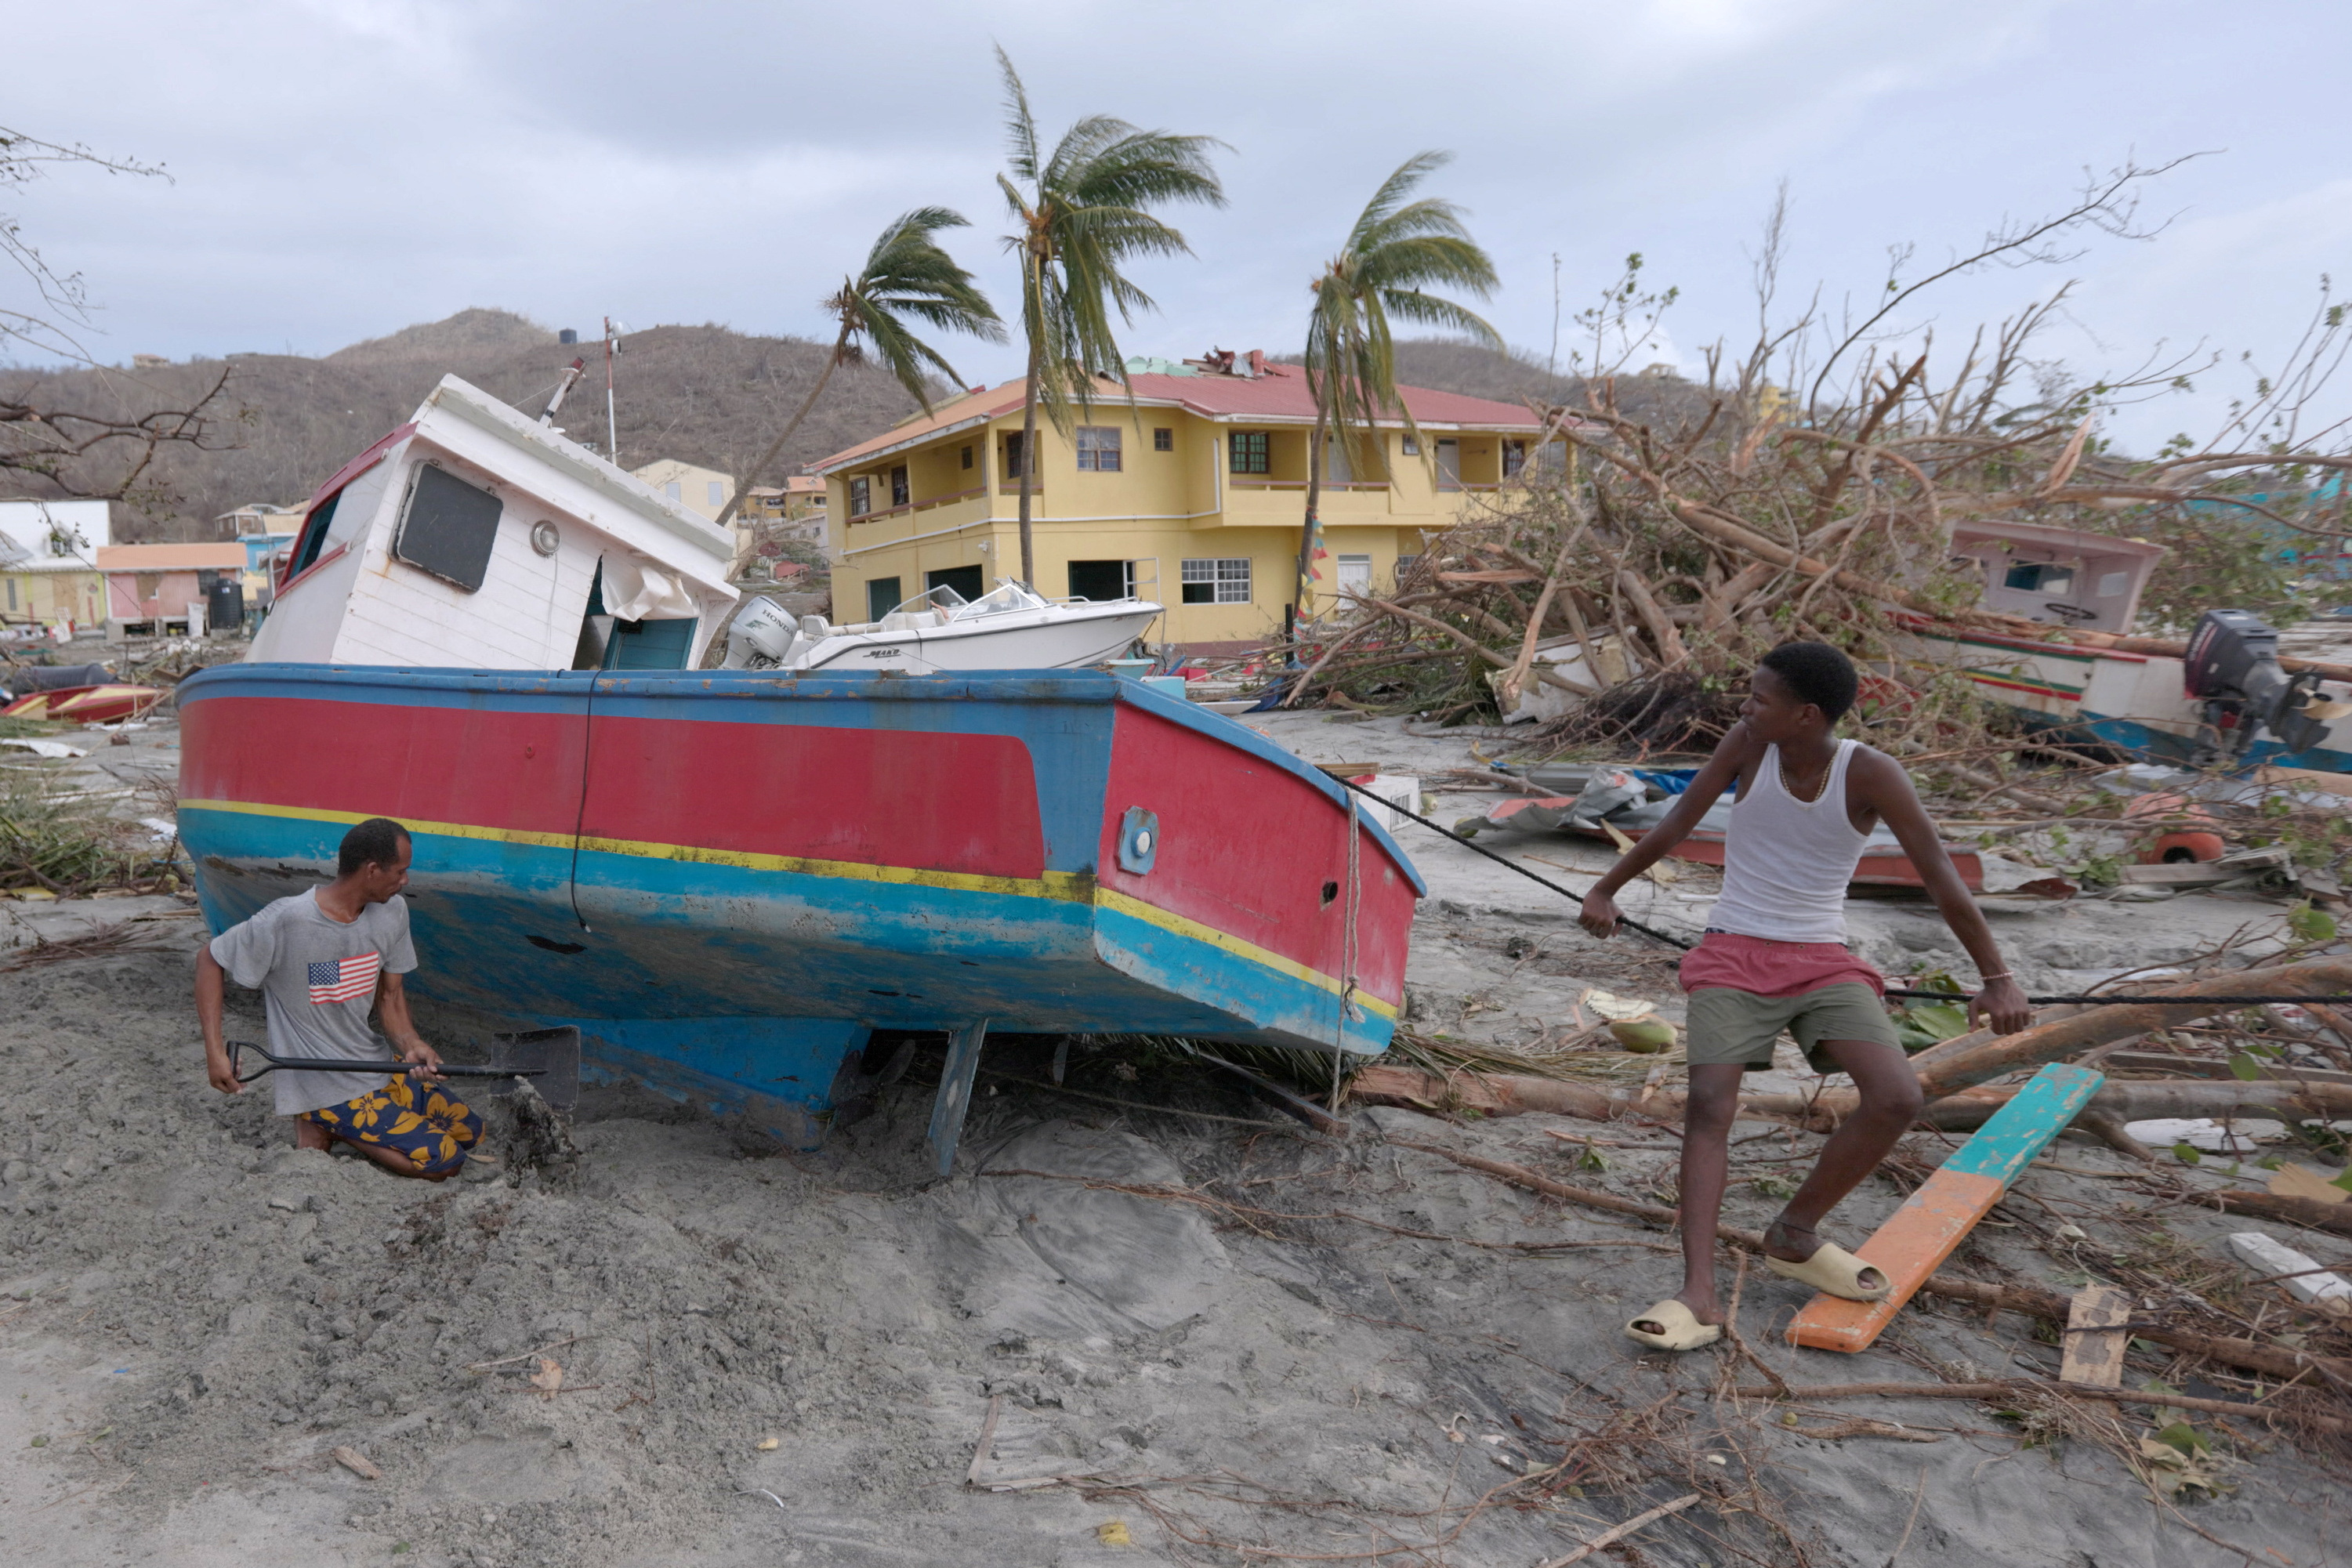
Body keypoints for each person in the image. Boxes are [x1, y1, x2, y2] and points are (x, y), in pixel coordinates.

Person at [1578, 642, 2032, 1351]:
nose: (1745, 707)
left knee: (1895, 1096)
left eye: (1759, 698)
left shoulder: (1871, 773)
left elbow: (1940, 873)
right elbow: (1674, 825)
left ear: (1805, 714)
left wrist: (1997, 977)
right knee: (1709, 1104)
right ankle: (1697, 1290)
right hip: (1731, 948)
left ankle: (1794, 1230)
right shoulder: (1746, 747)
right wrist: (1606, 888)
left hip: (1822, 958)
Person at [197, 817, 481, 1180]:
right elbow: (209, 958)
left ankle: (336, 1125)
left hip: (372, 1063)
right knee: (446, 1162)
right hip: (322, 1081)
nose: (405, 881)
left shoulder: (392, 911)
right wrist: (214, 1052)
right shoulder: (287, 920)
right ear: (373, 870)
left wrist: (412, 1043)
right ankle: (325, 1120)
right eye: (400, 871)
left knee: (470, 1134)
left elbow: (391, 996)